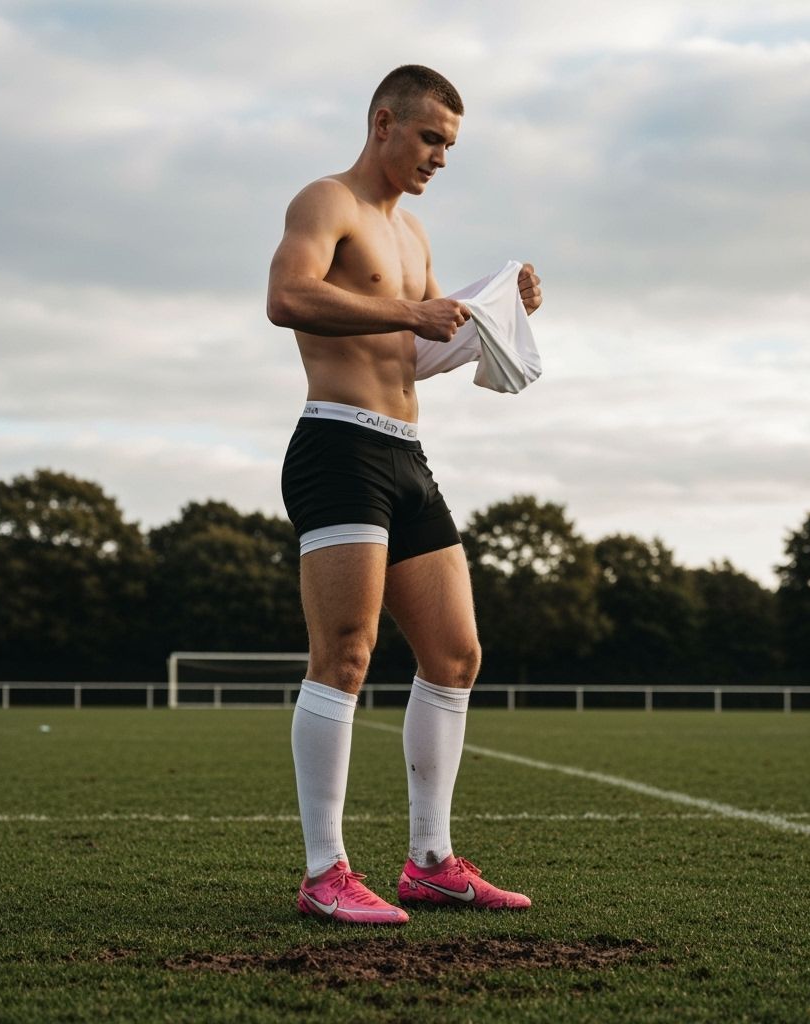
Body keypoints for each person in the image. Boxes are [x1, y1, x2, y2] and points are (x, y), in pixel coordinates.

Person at [267, 65, 542, 924]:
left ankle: (430, 862)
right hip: (336, 447)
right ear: (383, 122)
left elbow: (413, 351)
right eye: (429, 138)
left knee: (456, 654)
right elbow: (287, 298)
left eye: (449, 146)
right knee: (345, 657)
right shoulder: (327, 202)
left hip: (406, 455)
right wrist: (408, 316)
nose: (439, 158)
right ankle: (324, 873)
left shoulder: (414, 234)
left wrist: (486, 316)